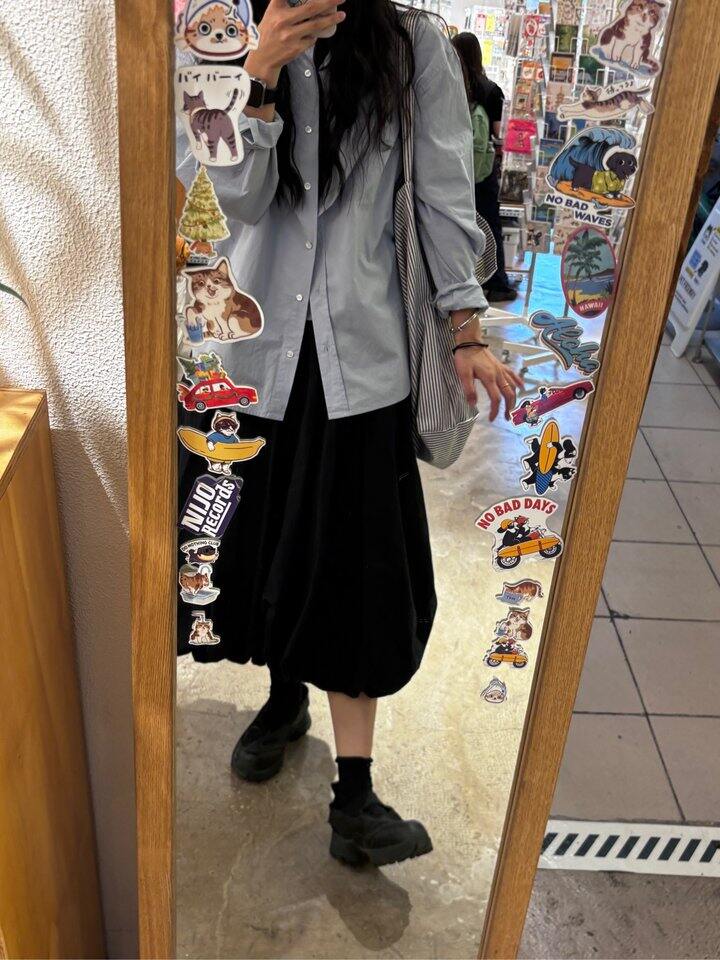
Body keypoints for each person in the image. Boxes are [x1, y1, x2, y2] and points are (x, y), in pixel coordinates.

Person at [176, 0, 522, 867]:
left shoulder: (412, 47)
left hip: (360, 358)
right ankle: (283, 700)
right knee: (262, 553)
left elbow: (444, 192)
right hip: (249, 354)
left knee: (358, 573)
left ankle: (356, 796)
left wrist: (465, 328)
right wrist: (256, 74)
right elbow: (223, 199)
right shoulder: (220, 35)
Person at [451, 31, 518, 302]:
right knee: (489, 224)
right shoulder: (490, 90)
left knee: (454, 224)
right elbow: (499, 132)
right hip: (482, 171)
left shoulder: (450, 85)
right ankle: (496, 281)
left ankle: (459, 279)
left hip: (453, 167)